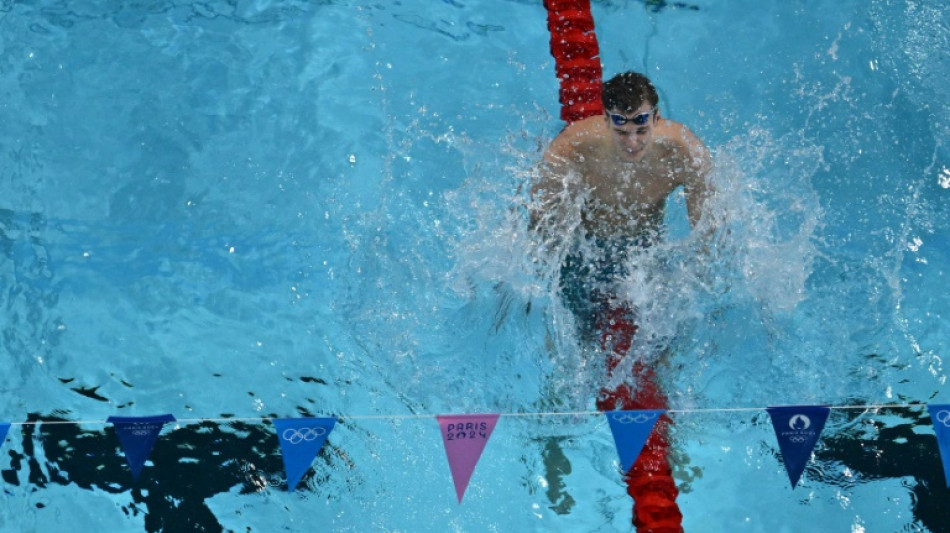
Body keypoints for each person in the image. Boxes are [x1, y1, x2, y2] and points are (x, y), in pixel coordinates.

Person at [529, 71, 713, 533]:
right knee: (566, 359)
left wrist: (697, 280)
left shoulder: (684, 151)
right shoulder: (573, 147)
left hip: (642, 260)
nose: (632, 141)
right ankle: (552, 444)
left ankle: (669, 451)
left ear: (657, 116)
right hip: (582, 257)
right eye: (621, 128)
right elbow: (540, 228)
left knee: (658, 357)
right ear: (604, 118)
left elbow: (708, 234)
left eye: (641, 127)